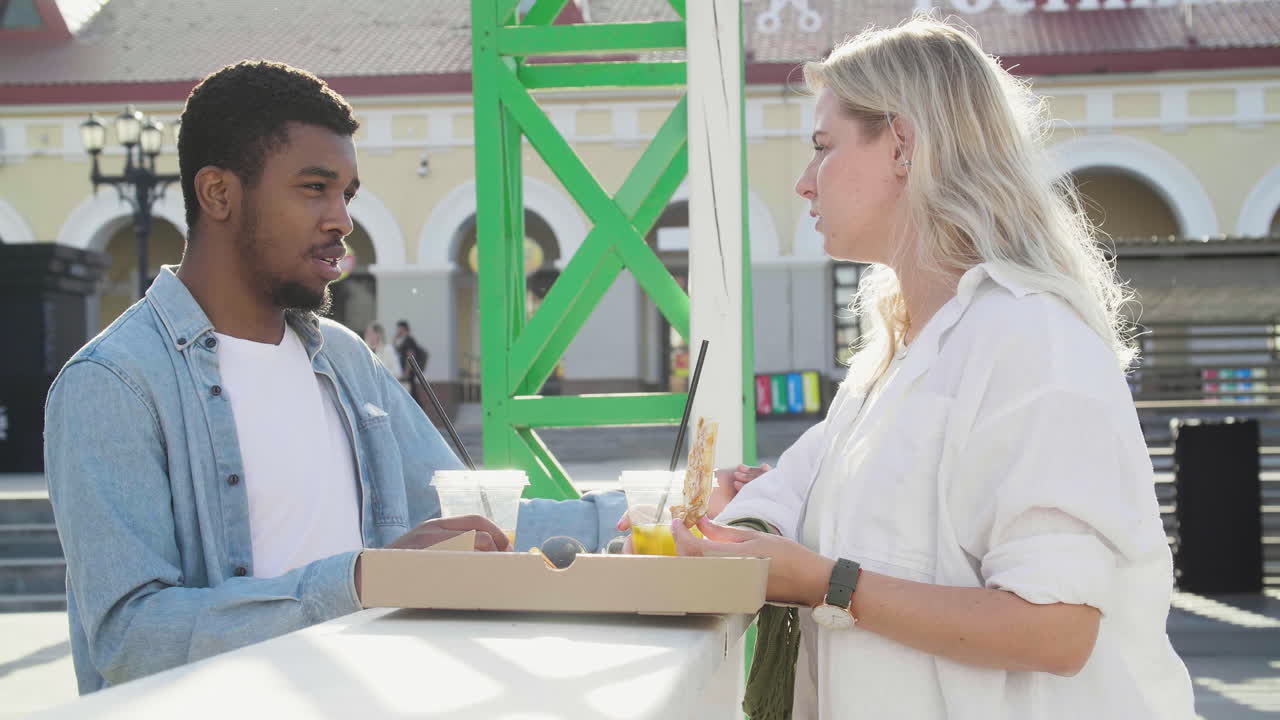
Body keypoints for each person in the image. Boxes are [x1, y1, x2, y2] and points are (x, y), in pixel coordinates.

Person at [42, 60, 631, 694]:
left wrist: (669, 511)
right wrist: (361, 581)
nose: (341, 220)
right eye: (314, 187)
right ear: (218, 194)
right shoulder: (114, 383)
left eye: (346, 194)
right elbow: (131, 637)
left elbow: (479, 526)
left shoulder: (345, 361)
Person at [665, 17, 1195, 719]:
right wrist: (745, 513)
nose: (803, 181)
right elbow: (792, 506)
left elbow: (1056, 629)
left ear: (904, 145)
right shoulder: (895, 359)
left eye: (823, 147)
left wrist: (827, 582)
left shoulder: (1031, 339)